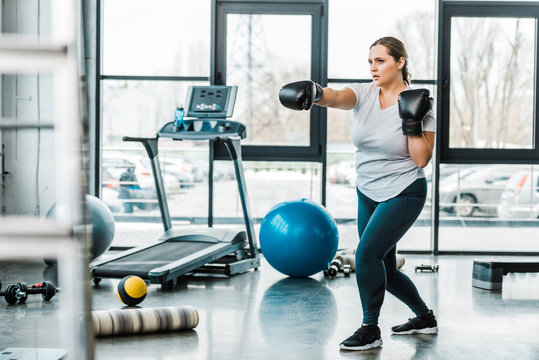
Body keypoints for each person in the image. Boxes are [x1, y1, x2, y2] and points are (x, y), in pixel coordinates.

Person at [278, 36, 438, 351]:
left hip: (404, 191)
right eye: (370, 61)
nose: (373, 67)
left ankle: (370, 329)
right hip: (368, 191)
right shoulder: (364, 93)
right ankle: (425, 318)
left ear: (400, 62)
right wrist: (315, 93)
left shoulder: (418, 102)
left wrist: (412, 122)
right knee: (385, 268)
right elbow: (335, 96)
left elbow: (421, 158)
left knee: (366, 255)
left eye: (380, 60)